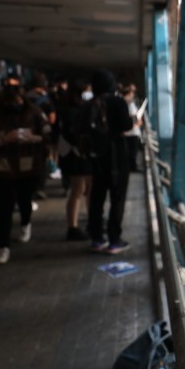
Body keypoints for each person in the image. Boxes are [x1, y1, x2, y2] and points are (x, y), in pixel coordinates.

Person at [0, 83, 49, 264]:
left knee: (24, 199)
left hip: (29, 165)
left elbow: (48, 135)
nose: (13, 104)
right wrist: (4, 139)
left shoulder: (35, 113)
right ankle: (3, 246)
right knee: (5, 206)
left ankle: (25, 222)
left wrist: (32, 137)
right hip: (4, 167)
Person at [83, 69, 134, 253]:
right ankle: (114, 240)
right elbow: (126, 126)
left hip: (95, 158)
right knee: (117, 199)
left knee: (96, 198)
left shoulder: (89, 104)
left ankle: (97, 238)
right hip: (117, 157)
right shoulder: (118, 102)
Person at [56, 79, 91, 241]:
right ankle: (73, 226)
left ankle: (78, 224)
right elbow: (74, 133)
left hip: (70, 153)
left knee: (80, 188)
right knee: (78, 189)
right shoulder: (75, 109)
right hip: (76, 153)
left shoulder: (64, 106)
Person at [121, 84, 142, 173]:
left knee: (132, 151)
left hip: (132, 131)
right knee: (131, 152)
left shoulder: (129, 104)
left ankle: (131, 166)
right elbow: (133, 117)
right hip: (130, 132)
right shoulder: (125, 104)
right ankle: (131, 167)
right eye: (131, 94)